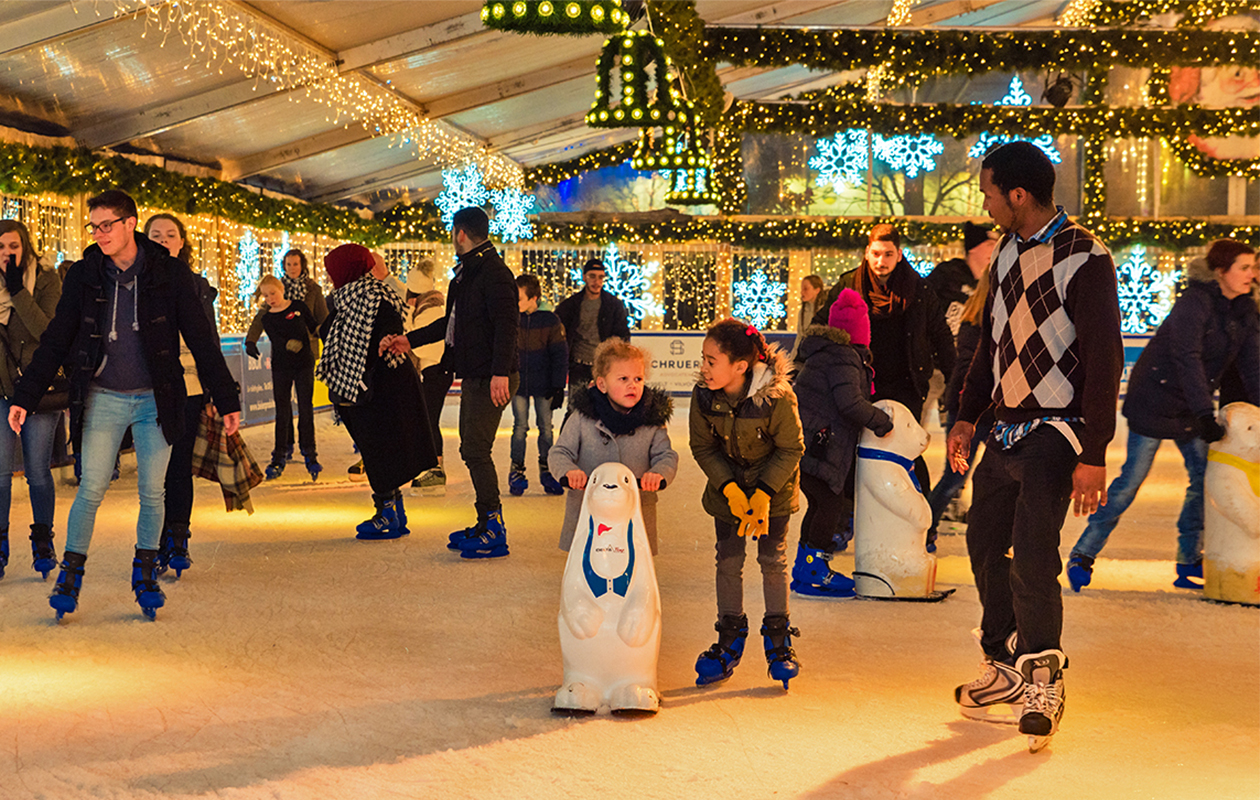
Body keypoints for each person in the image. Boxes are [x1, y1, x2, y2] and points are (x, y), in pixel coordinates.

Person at [948, 142, 1123, 749]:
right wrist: (967, 415)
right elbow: (992, 343)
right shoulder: (1005, 252)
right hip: (1004, 424)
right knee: (982, 540)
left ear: (1018, 195)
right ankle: (1001, 663)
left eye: (990, 193)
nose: (987, 203)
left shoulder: (1084, 255)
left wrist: (1095, 452)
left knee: (1033, 554)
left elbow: (1105, 361)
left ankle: (1043, 674)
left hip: (1059, 428)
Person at [8, 189, 241, 621]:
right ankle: (70, 576)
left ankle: (146, 573)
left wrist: (226, 398)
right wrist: (27, 395)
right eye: (93, 227)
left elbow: (202, 341)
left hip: (158, 400)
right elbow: (58, 337)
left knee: (153, 491)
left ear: (130, 223)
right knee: (91, 486)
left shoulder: (170, 273)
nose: (99, 234)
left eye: (106, 225)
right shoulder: (84, 274)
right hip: (103, 397)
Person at [1067, 239, 1258, 591]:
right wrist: (1205, 412)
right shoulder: (1194, 303)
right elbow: (1187, 358)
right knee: (1131, 482)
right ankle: (1083, 554)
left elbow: (1251, 365)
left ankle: (1188, 560)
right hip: (1154, 399)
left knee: (1203, 481)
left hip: (1191, 403)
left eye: (1254, 267)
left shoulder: (1244, 311)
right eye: (1244, 268)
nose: (1252, 274)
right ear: (1221, 271)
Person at [384, 207, 518, 559]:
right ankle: (485, 520)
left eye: (452, 232)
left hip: (491, 375)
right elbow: (451, 324)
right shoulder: (466, 275)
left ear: (460, 233)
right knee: (471, 449)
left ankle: (493, 526)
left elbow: (508, 324)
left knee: (475, 449)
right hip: (477, 372)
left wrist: (499, 372)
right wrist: (408, 339)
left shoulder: (493, 273)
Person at [811, 224, 955, 535]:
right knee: (851, 450)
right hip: (859, 384)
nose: (881, 261)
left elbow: (940, 334)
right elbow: (820, 324)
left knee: (905, 452)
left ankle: (921, 523)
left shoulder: (919, 289)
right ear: (867, 253)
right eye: (876, 253)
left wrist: (955, 379)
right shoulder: (849, 284)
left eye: (889, 254)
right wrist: (814, 363)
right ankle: (848, 518)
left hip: (906, 384)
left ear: (899, 254)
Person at [690, 319, 804, 689]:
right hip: (729, 495)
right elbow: (703, 447)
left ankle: (778, 637)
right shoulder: (704, 396)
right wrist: (731, 489)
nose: (704, 368)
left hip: (775, 492)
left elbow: (791, 448)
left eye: (712, 361)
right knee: (729, 559)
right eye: (703, 359)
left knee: (773, 560)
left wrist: (763, 494)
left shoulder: (777, 396)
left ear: (740, 366)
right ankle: (729, 634)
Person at [318, 244, 434, 540]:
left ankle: (387, 513)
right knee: (379, 450)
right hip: (371, 386)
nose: (331, 277)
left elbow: (375, 337)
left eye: (333, 270)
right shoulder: (359, 296)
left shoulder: (367, 297)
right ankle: (393, 510)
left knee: (377, 449)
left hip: (375, 389)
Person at [790, 288, 893, 597]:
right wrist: (880, 421)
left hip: (810, 441)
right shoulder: (844, 357)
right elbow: (849, 403)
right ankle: (815, 570)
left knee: (820, 502)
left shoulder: (827, 353)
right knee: (829, 504)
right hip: (821, 444)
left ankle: (805, 566)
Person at [549, 338, 677, 555]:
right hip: (589, 508)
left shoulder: (652, 420)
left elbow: (666, 455)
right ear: (602, 384)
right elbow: (560, 451)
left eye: (638, 378)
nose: (632, 385)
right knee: (588, 559)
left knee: (633, 559)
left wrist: (658, 474)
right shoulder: (582, 417)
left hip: (634, 509)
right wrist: (569, 471)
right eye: (623, 378)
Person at [144, 213, 219, 577]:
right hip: (150, 390)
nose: (162, 240)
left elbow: (209, 341)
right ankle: (155, 543)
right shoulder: (136, 282)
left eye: (170, 235)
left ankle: (178, 538)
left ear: (181, 242)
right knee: (155, 471)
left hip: (189, 388)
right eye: (155, 234)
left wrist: (217, 389)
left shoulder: (198, 285)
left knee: (179, 466)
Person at [0, 219, 62, 582]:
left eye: (13, 246)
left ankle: (42, 540)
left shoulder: (47, 279)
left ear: (25, 247)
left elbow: (46, 330)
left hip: (37, 387)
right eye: (1, 248)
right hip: (0, 387)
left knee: (37, 470)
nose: (7, 254)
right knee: (1, 473)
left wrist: (17, 291)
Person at [927, 268, 994, 545]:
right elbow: (967, 366)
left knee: (989, 474)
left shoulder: (981, 317)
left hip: (985, 407)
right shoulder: (977, 320)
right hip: (971, 407)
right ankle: (924, 527)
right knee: (954, 476)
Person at [246, 275, 321, 481]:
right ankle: (279, 454)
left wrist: (327, 332)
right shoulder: (267, 317)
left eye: (273, 293)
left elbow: (314, 326)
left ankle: (310, 452)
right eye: (266, 295)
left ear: (281, 289)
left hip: (304, 363)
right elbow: (276, 339)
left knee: (306, 407)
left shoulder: (298, 306)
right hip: (281, 366)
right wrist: (250, 343)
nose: (270, 298)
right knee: (282, 410)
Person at [510, 273, 568, 496]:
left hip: (543, 384)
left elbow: (559, 355)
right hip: (519, 384)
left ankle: (547, 469)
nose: (516, 303)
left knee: (545, 427)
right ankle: (516, 470)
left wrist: (557, 386)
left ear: (533, 298)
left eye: (520, 298)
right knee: (520, 427)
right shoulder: (514, 319)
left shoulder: (550, 321)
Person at [403, 258, 453, 495]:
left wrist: (410, 311)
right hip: (435, 371)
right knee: (428, 419)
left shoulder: (429, 309)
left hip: (436, 371)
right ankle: (433, 468)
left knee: (429, 419)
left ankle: (435, 470)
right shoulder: (431, 305)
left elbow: (418, 343)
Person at [555, 258, 630, 406]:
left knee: (605, 409)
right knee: (575, 409)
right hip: (578, 366)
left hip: (604, 367)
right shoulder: (570, 305)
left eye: (601, 277)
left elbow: (623, 336)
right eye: (592, 276)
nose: (597, 281)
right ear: (584, 277)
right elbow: (557, 335)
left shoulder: (613, 305)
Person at [789, 274, 824, 361]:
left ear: (817, 290)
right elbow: (800, 337)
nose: (802, 292)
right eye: (802, 289)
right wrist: (791, 360)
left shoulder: (823, 311)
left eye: (806, 289)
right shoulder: (803, 312)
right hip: (805, 357)